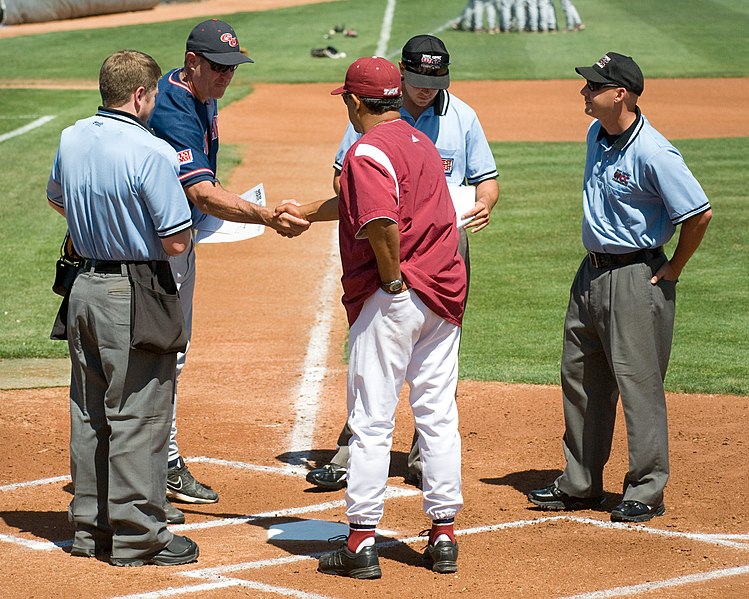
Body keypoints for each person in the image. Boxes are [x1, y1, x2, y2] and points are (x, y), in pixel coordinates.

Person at [305, 34, 499, 492]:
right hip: (388, 246)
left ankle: (409, 469)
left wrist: (485, 204)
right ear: (401, 77)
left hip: (436, 247)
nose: (427, 89)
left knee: (411, 370)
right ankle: (356, 452)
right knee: (389, 365)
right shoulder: (371, 122)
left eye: (436, 80)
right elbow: (345, 181)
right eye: (418, 80)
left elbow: (486, 180)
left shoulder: (461, 117)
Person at [298, 56, 466, 578]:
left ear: (354, 101)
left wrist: (391, 279)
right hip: (443, 297)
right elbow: (362, 202)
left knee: (371, 420)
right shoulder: (420, 143)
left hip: (397, 295)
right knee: (436, 413)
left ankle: (361, 541)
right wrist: (305, 212)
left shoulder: (365, 151)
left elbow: (379, 222)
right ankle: (442, 535)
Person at [528, 52, 712, 523]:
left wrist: (674, 268)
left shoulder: (654, 151)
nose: (584, 93)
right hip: (589, 275)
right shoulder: (597, 134)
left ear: (620, 94)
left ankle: (646, 488)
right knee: (581, 379)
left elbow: (697, 214)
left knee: (638, 385)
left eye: (593, 86)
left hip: (636, 276)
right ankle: (580, 481)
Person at [149, 19, 309, 521]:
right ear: (192, 62)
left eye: (232, 69)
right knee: (162, 355)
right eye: (218, 69)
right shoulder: (174, 105)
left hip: (178, 238)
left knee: (171, 352)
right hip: (157, 251)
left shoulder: (200, 91)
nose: (226, 78)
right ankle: (158, 466)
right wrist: (263, 215)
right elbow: (198, 190)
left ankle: (156, 462)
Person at [46, 49, 199, 566]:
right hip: (132, 292)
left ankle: (91, 528)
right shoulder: (151, 151)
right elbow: (176, 241)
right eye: (153, 94)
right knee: (139, 412)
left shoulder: (71, 137)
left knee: (89, 410)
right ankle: (137, 536)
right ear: (139, 95)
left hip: (82, 287)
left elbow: (57, 200)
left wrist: (99, 216)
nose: (155, 103)